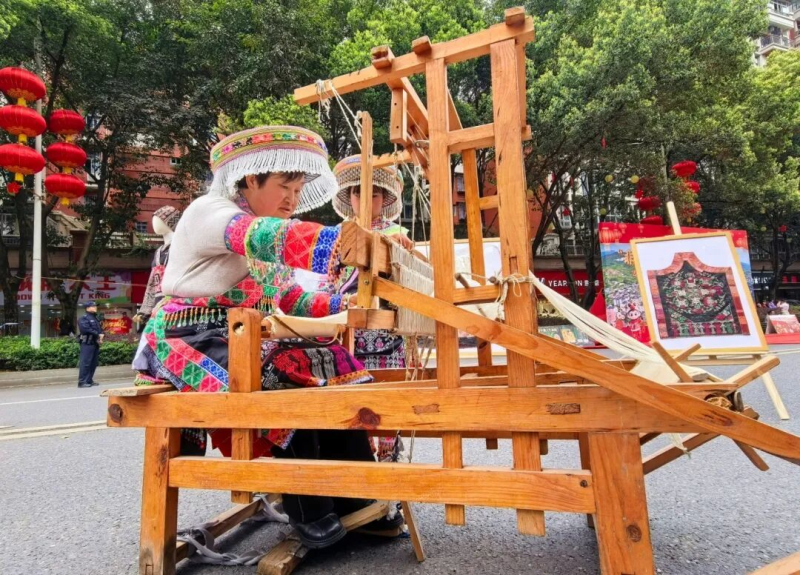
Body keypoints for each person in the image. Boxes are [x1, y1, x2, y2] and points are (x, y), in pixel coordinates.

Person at [139, 125, 401, 549]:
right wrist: (344, 242)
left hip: (242, 332)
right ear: (250, 179)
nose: (292, 200)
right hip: (186, 333)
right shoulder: (212, 211)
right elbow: (259, 237)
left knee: (334, 363)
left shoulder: (266, 232)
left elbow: (293, 298)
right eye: (284, 186)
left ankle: (358, 501)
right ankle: (309, 509)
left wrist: (350, 304)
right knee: (284, 374)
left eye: (298, 190)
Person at [77, 301, 104, 388]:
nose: (95, 307)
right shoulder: (83, 318)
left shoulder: (95, 318)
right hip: (87, 343)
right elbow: (85, 329)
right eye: (93, 306)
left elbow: (99, 329)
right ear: (87, 308)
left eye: (95, 306)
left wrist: (101, 335)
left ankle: (89, 380)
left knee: (93, 363)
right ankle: (82, 382)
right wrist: (98, 334)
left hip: (94, 343)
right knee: (85, 363)